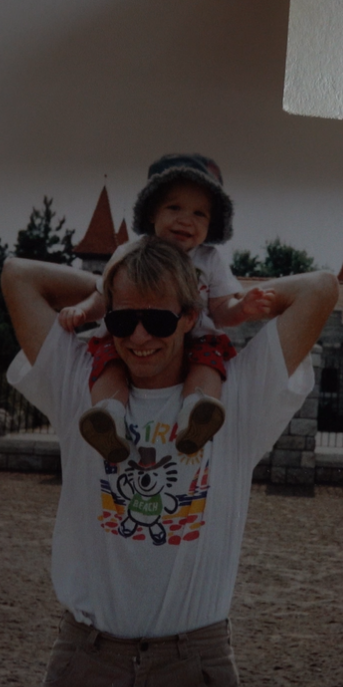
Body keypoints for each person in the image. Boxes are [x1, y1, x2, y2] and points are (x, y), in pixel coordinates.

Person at [1, 234, 338, 687]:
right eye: (122, 319)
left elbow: (321, 289)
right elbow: (17, 275)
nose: (138, 337)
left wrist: (229, 303)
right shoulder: (82, 384)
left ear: (187, 316)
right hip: (86, 664)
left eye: (158, 318)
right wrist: (111, 282)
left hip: (193, 670)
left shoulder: (235, 396)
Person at [59, 154, 272, 461]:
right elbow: (103, 296)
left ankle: (196, 415)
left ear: (211, 225)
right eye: (174, 208)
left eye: (200, 213)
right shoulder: (130, 253)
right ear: (151, 213)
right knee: (109, 362)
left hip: (194, 339)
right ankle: (107, 418)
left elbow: (222, 310)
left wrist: (244, 307)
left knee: (209, 362)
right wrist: (82, 311)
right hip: (133, 335)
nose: (186, 219)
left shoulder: (208, 260)